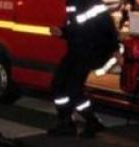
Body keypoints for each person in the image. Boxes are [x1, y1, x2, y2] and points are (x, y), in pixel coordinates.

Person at [48, 0, 119, 137]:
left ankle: (92, 121)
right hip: (77, 50)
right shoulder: (72, 2)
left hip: (91, 50)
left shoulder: (90, 2)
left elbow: (107, 26)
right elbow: (77, 28)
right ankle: (66, 123)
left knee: (73, 89)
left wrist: (115, 49)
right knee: (58, 85)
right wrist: (63, 32)